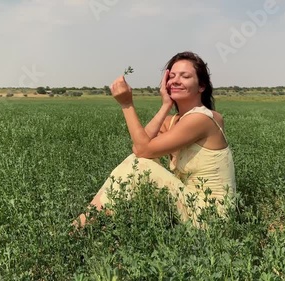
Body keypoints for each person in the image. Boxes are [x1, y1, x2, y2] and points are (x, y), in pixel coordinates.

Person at [73, 51, 236, 229]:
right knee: (137, 162)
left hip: (211, 216)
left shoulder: (203, 119)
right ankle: (93, 223)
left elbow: (143, 150)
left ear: (201, 86)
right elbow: (141, 147)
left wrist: (127, 104)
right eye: (171, 76)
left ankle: (82, 227)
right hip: (190, 203)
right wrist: (165, 105)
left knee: (140, 166)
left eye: (185, 76)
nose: (175, 80)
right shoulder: (175, 121)